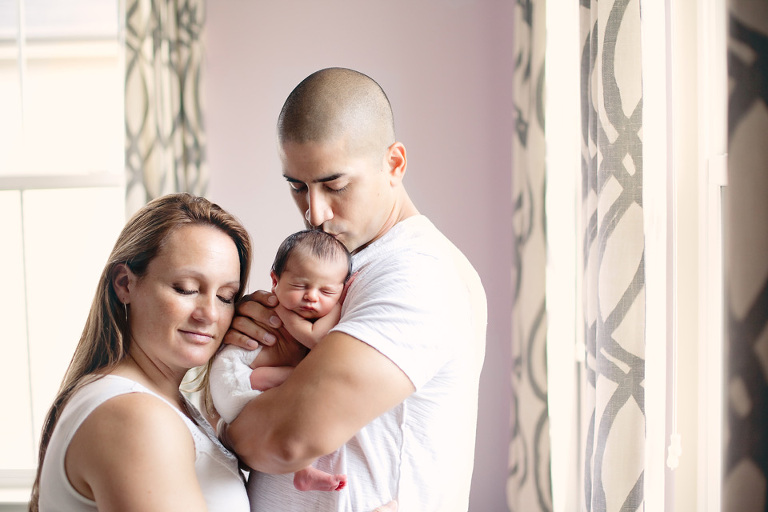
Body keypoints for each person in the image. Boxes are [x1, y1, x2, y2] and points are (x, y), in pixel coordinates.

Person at [221, 67, 488, 512]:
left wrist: (223, 427)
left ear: (394, 164)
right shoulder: (343, 266)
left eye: (335, 185)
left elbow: (290, 439)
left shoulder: (418, 274)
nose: (314, 212)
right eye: (297, 186)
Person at [30, 193, 252, 512]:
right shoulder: (136, 416)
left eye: (226, 296)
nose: (210, 314)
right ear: (124, 283)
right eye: (186, 289)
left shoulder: (159, 403)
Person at [210, 229, 352, 492]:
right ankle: (303, 472)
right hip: (236, 380)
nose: (311, 296)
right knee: (302, 376)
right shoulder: (280, 307)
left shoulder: (301, 304)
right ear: (275, 280)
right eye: (300, 285)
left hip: (243, 396)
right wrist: (340, 307)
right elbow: (316, 339)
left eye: (327, 291)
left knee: (294, 406)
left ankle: (303, 472)